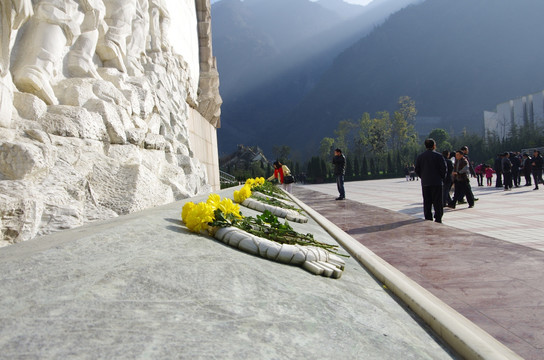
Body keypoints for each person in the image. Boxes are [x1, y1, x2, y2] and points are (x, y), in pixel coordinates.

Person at [415, 139, 447, 223]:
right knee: (437, 201)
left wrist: (423, 177)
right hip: (437, 182)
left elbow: (417, 169)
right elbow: (444, 169)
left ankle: (428, 217)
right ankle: (438, 218)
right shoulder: (439, 156)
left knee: (427, 201)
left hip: (425, 182)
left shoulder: (420, 157)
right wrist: (441, 177)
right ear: (434, 146)